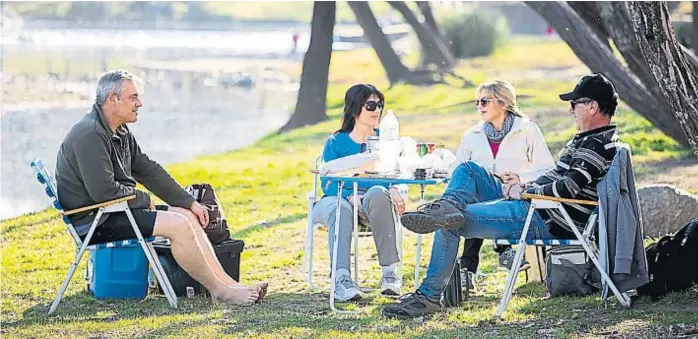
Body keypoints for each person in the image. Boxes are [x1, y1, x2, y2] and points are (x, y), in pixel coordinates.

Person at [383, 73, 621, 319]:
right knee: (468, 170)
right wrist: (523, 183)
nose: (571, 111)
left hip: (546, 217)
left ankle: (428, 297)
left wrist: (525, 191)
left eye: (575, 104)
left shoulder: (595, 146)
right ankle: (446, 206)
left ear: (592, 107)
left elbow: (567, 189)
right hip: (536, 205)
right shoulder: (592, 140)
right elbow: (556, 178)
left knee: (449, 222)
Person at [55, 70, 267, 305]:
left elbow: (147, 169)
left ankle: (230, 285)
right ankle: (220, 291)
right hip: (97, 222)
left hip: (115, 212)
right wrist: (144, 200)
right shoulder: (90, 135)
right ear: (113, 100)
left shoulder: (119, 130)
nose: (140, 103)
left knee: (186, 215)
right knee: (179, 226)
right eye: (133, 97)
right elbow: (103, 192)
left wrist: (189, 202)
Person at [452, 80, 555, 290]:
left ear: (503, 102)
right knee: (472, 199)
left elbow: (547, 169)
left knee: (473, 205)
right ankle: (503, 250)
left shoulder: (527, 130)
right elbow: (458, 170)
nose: (479, 106)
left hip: (516, 196)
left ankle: (469, 270)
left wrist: (520, 177)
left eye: (484, 101)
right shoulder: (472, 135)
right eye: (476, 102)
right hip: (483, 195)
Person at [311, 84, 404, 301]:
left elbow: (397, 172)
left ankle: (390, 274)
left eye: (380, 105)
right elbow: (328, 183)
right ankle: (341, 279)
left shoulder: (387, 141)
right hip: (335, 201)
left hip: (372, 206)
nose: (377, 111)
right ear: (355, 109)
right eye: (371, 105)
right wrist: (350, 196)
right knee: (341, 207)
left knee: (379, 192)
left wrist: (396, 189)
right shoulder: (336, 142)